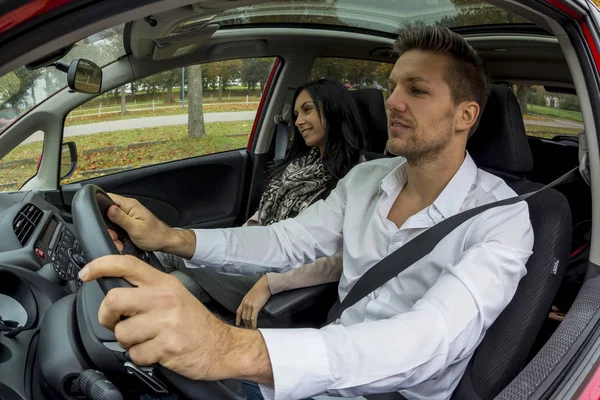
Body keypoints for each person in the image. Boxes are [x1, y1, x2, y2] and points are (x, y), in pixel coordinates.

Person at [79, 26, 534, 400]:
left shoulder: (502, 219)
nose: (391, 101)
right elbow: (286, 240)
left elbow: (428, 338)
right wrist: (171, 238)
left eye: (416, 90)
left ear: (464, 115)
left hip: (395, 392)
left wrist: (233, 349)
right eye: (393, 85)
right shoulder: (367, 178)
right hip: (320, 368)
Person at [152, 78, 367, 328]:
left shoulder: (358, 176)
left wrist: (270, 283)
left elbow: (342, 258)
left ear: (333, 109)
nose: (298, 121)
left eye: (307, 110)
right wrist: (236, 246)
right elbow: (261, 219)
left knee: (171, 243)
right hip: (256, 259)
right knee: (175, 286)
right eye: (296, 114)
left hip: (282, 277)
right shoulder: (301, 163)